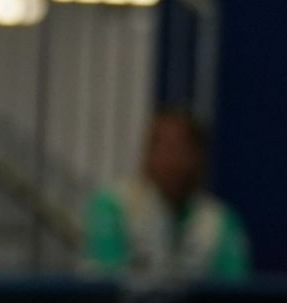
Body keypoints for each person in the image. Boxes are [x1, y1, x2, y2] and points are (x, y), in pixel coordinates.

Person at [85, 109, 252, 281]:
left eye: (184, 149)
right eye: (165, 148)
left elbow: (236, 290)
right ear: (148, 155)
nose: (173, 161)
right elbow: (106, 280)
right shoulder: (113, 205)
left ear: (200, 158)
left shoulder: (220, 221)